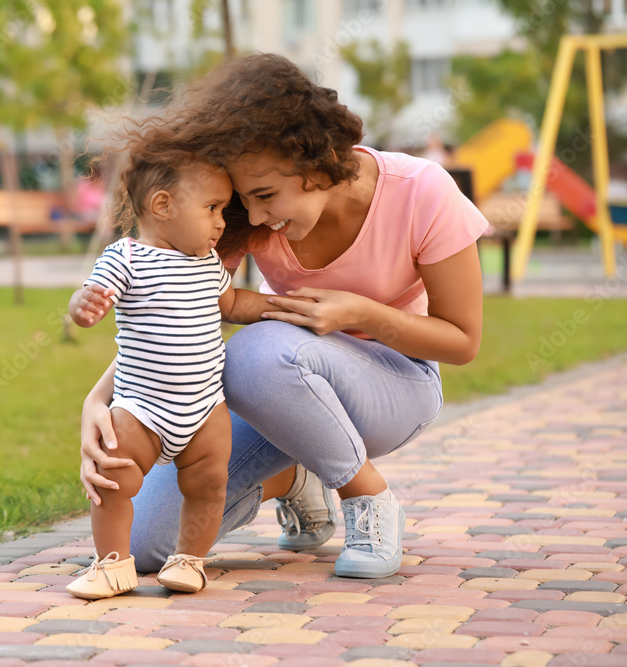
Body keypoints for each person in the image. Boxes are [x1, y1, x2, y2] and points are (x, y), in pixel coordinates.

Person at [78, 53, 487, 580]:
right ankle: (296, 477)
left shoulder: (422, 191)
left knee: (254, 352)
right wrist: (99, 399)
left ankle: (367, 499)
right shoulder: (250, 219)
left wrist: (360, 313)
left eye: (266, 195)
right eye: (245, 202)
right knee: (148, 544)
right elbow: (179, 308)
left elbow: (462, 341)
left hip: (395, 383)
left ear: (313, 160)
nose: (259, 217)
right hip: (280, 391)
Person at [65, 131, 295, 599]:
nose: (220, 222)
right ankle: (112, 565)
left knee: (209, 486)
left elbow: (232, 303)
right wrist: (82, 305)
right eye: (212, 208)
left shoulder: (208, 262)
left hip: (206, 409)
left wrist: (280, 307)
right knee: (114, 479)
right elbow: (92, 295)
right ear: (164, 205)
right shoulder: (126, 257)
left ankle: (190, 561)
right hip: (141, 409)